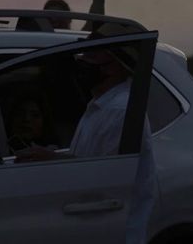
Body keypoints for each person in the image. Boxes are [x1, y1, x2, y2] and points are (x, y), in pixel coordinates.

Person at [15, 24, 156, 244]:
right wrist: (51, 158)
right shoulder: (100, 104)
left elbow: (104, 178)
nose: (83, 60)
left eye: (92, 54)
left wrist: (52, 160)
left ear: (114, 66)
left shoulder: (120, 110)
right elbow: (89, 161)